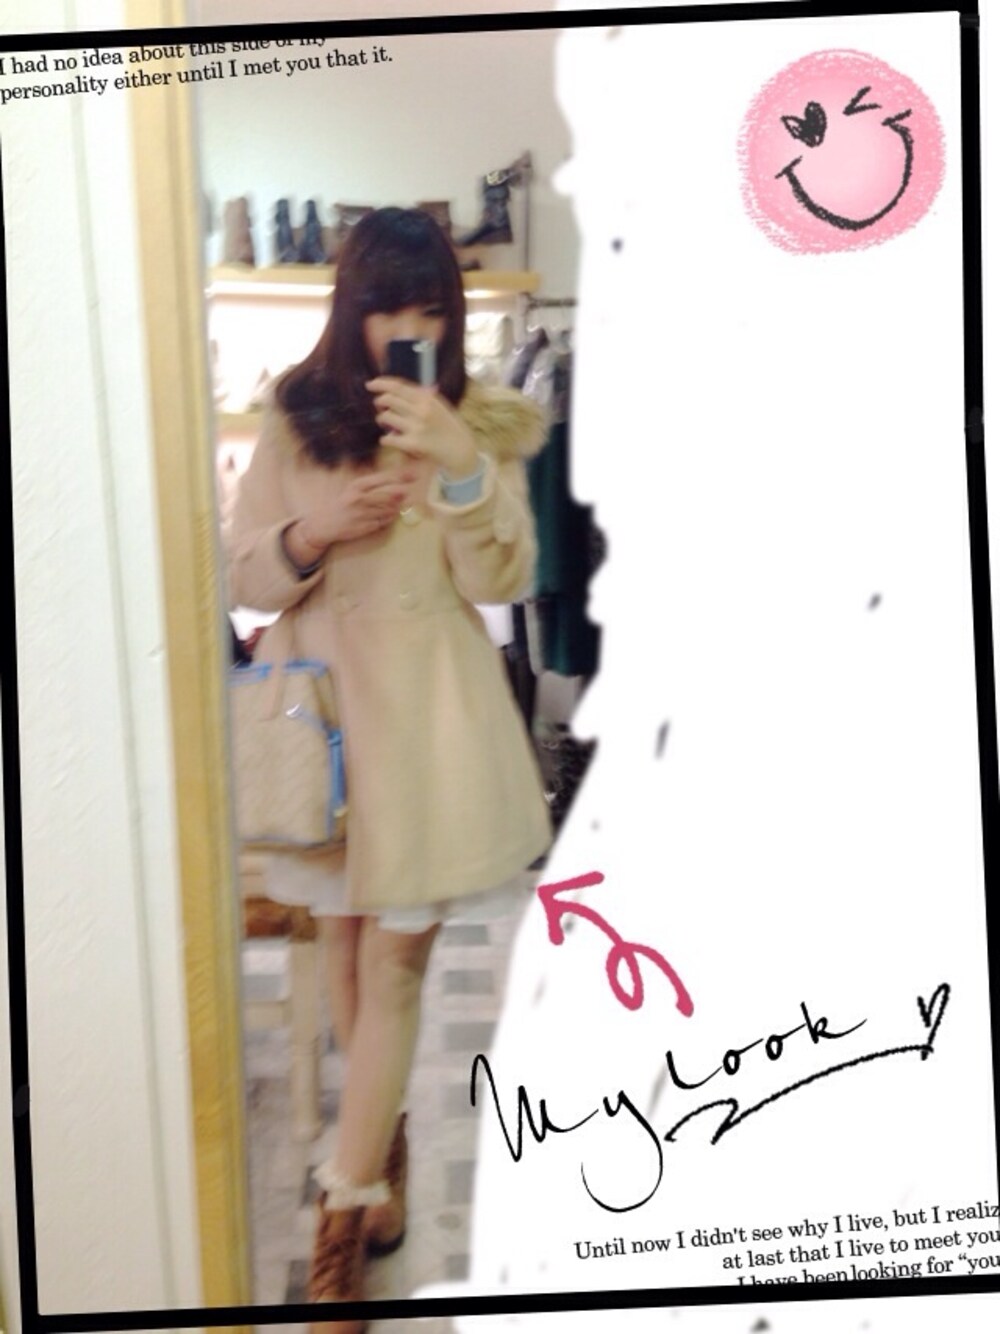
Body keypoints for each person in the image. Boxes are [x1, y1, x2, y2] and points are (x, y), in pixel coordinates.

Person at [228, 207, 552, 1329]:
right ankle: (384, 1152)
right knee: (350, 958)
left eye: (429, 309)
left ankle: (337, 1217)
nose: (409, 329)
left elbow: (504, 577)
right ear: (350, 310)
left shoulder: (478, 420)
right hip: (323, 728)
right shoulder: (294, 415)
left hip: (426, 730)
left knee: (396, 964)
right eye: (386, 308)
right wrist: (313, 531)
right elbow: (245, 578)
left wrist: (460, 466)